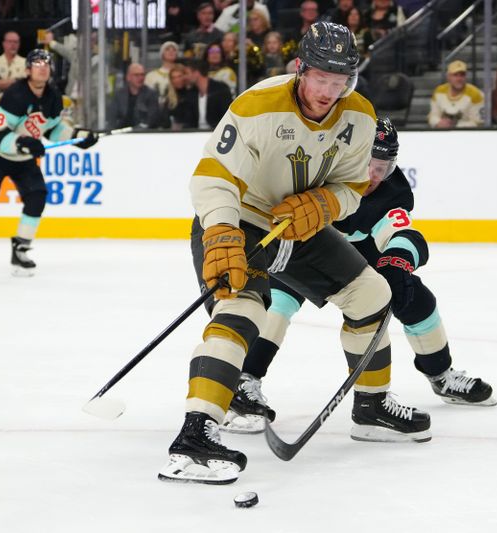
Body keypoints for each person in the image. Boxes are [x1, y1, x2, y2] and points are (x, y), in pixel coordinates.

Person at [159, 22, 429, 485]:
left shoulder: (359, 117)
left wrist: (326, 203)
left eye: (339, 80)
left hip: (298, 226)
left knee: (372, 293)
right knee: (242, 306)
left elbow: (350, 186)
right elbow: (211, 176)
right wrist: (221, 231)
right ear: (300, 68)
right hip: (237, 220)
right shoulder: (258, 105)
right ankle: (195, 436)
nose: (328, 90)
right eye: (321, 77)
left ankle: (372, 406)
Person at [222, 118, 496, 434]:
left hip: (361, 255)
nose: (373, 177)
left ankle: (441, 375)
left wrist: (398, 260)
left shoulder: (393, 191)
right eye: (368, 164)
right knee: (278, 300)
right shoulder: (320, 167)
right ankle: (245, 380)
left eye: (383, 167)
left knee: (414, 296)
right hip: (305, 247)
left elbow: (400, 230)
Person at [0, 50, 99, 279]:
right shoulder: (15, 95)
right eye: (36, 64)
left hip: (23, 159)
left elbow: (53, 130)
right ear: (27, 70)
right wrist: (23, 143)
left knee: (37, 197)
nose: (42, 67)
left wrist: (77, 136)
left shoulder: (53, 97)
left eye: (46, 63)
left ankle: (20, 250)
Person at [174, 58, 233, 130]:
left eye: (186, 73)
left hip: (217, 134)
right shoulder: (191, 94)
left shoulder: (221, 90)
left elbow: (227, 118)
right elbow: (188, 122)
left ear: (196, 73)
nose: (184, 77)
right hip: (195, 135)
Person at [427, 60, 484, 128]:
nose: (459, 79)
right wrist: (438, 122)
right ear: (448, 77)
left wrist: (455, 126)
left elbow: (478, 122)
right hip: (442, 132)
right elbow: (432, 116)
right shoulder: (439, 91)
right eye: (455, 75)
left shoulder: (476, 94)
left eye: (462, 75)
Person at [108, 63, 162, 130]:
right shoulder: (119, 95)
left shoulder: (151, 94)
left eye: (142, 75)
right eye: (136, 75)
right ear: (128, 77)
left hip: (143, 135)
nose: (140, 78)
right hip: (121, 134)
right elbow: (112, 119)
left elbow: (151, 120)